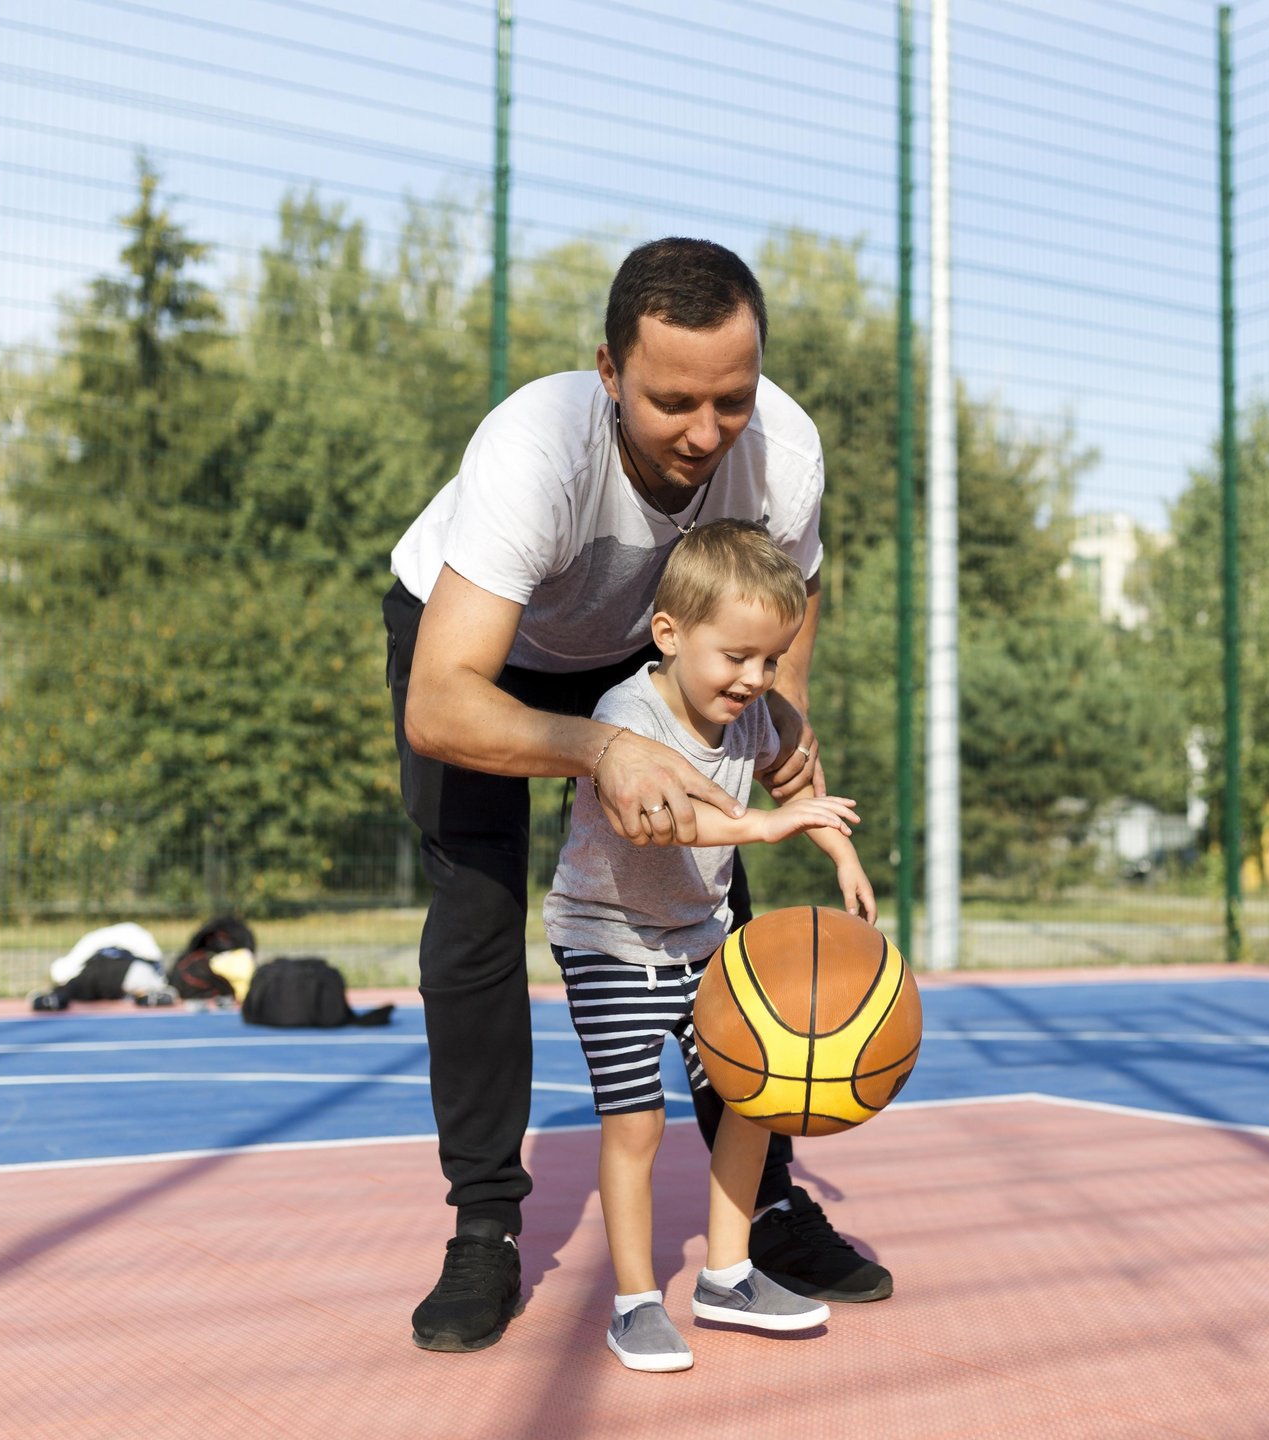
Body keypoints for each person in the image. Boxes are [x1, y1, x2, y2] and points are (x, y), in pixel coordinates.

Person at [384, 237, 892, 1356]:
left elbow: (783, 611)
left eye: (732, 400)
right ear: (609, 372)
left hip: (638, 645)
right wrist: (603, 753)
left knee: (720, 894)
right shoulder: (538, 448)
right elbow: (441, 704)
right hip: (481, 654)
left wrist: (779, 732)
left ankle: (760, 1210)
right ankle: (483, 1228)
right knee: (476, 909)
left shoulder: (785, 453)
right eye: (672, 403)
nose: (707, 434)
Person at [546, 520, 877, 1372]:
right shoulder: (628, 713)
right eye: (736, 657)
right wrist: (766, 826)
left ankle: (727, 1276)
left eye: (770, 660)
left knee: (751, 1099)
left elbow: (793, 785)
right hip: (610, 943)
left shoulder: (753, 715)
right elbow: (662, 820)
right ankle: (633, 1303)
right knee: (637, 1125)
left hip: (703, 944)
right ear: (670, 633)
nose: (755, 679)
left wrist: (837, 849)